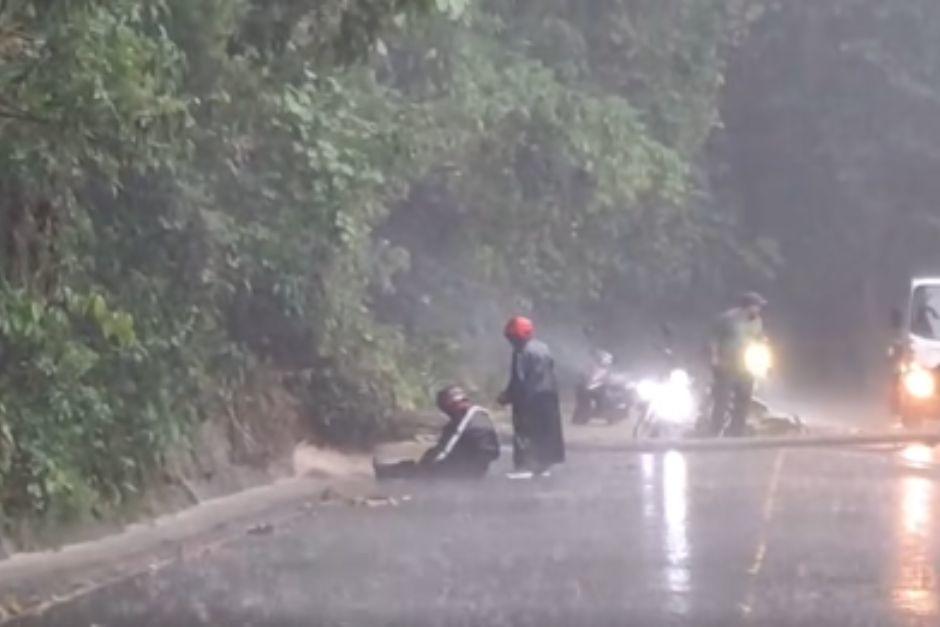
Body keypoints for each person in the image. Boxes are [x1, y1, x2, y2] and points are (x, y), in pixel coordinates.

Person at [375, 385, 500, 481]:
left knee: (415, 471)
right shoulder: (479, 415)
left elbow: (445, 450)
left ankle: (385, 473)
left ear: (452, 404)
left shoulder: (465, 422)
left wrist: (426, 467)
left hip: (465, 473)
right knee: (419, 465)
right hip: (473, 468)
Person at [498, 316, 565, 477]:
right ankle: (543, 465)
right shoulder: (543, 348)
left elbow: (519, 380)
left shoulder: (521, 352)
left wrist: (506, 397)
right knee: (547, 430)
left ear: (516, 336)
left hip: (529, 398)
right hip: (549, 396)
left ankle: (524, 466)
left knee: (525, 431)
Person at [708, 292, 767, 437]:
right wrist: (714, 357)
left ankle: (736, 431)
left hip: (746, 368)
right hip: (726, 366)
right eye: (756, 306)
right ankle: (714, 432)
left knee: (743, 401)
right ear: (747, 307)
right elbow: (714, 338)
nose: (758, 309)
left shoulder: (757, 321)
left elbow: (759, 339)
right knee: (722, 400)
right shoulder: (727, 319)